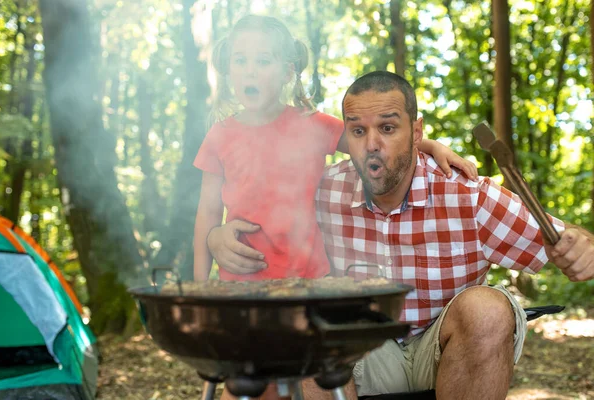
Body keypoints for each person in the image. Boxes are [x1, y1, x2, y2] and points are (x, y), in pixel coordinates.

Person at [207, 71, 594, 400]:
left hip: (445, 353)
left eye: (388, 128)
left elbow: (563, 239)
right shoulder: (324, 192)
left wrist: (581, 248)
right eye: (358, 131)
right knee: (309, 310)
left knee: (487, 307)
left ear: (417, 132)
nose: (372, 144)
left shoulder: (469, 195)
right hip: (361, 356)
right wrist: (217, 237)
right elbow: (264, 220)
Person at [193, 16, 476, 284]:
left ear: (287, 72)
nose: (249, 71)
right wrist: (199, 287)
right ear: (228, 69)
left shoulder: (312, 125)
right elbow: (207, 212)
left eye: (263, 61)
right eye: (240, 61)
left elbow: (369, 145)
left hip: (309, 281)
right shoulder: (219, 135)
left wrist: (430, 145)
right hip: (240, 282)